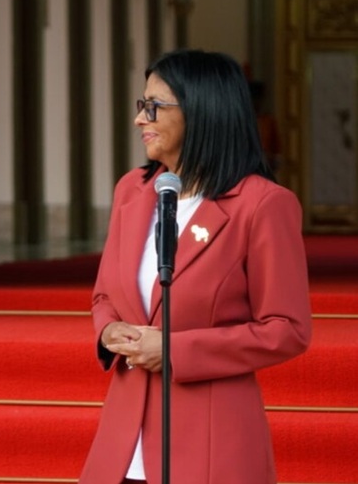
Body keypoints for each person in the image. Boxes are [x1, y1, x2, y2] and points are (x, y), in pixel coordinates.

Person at [78, 49, 311, 484]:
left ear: (202, 110)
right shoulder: (133, 189)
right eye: (140, 105)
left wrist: (174, 350)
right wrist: (108, 330)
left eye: (154, 107)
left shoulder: (262, 205)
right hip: (124, 438)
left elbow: (287, 329)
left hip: (211, 436)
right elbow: (106, 294)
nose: (139, 120)